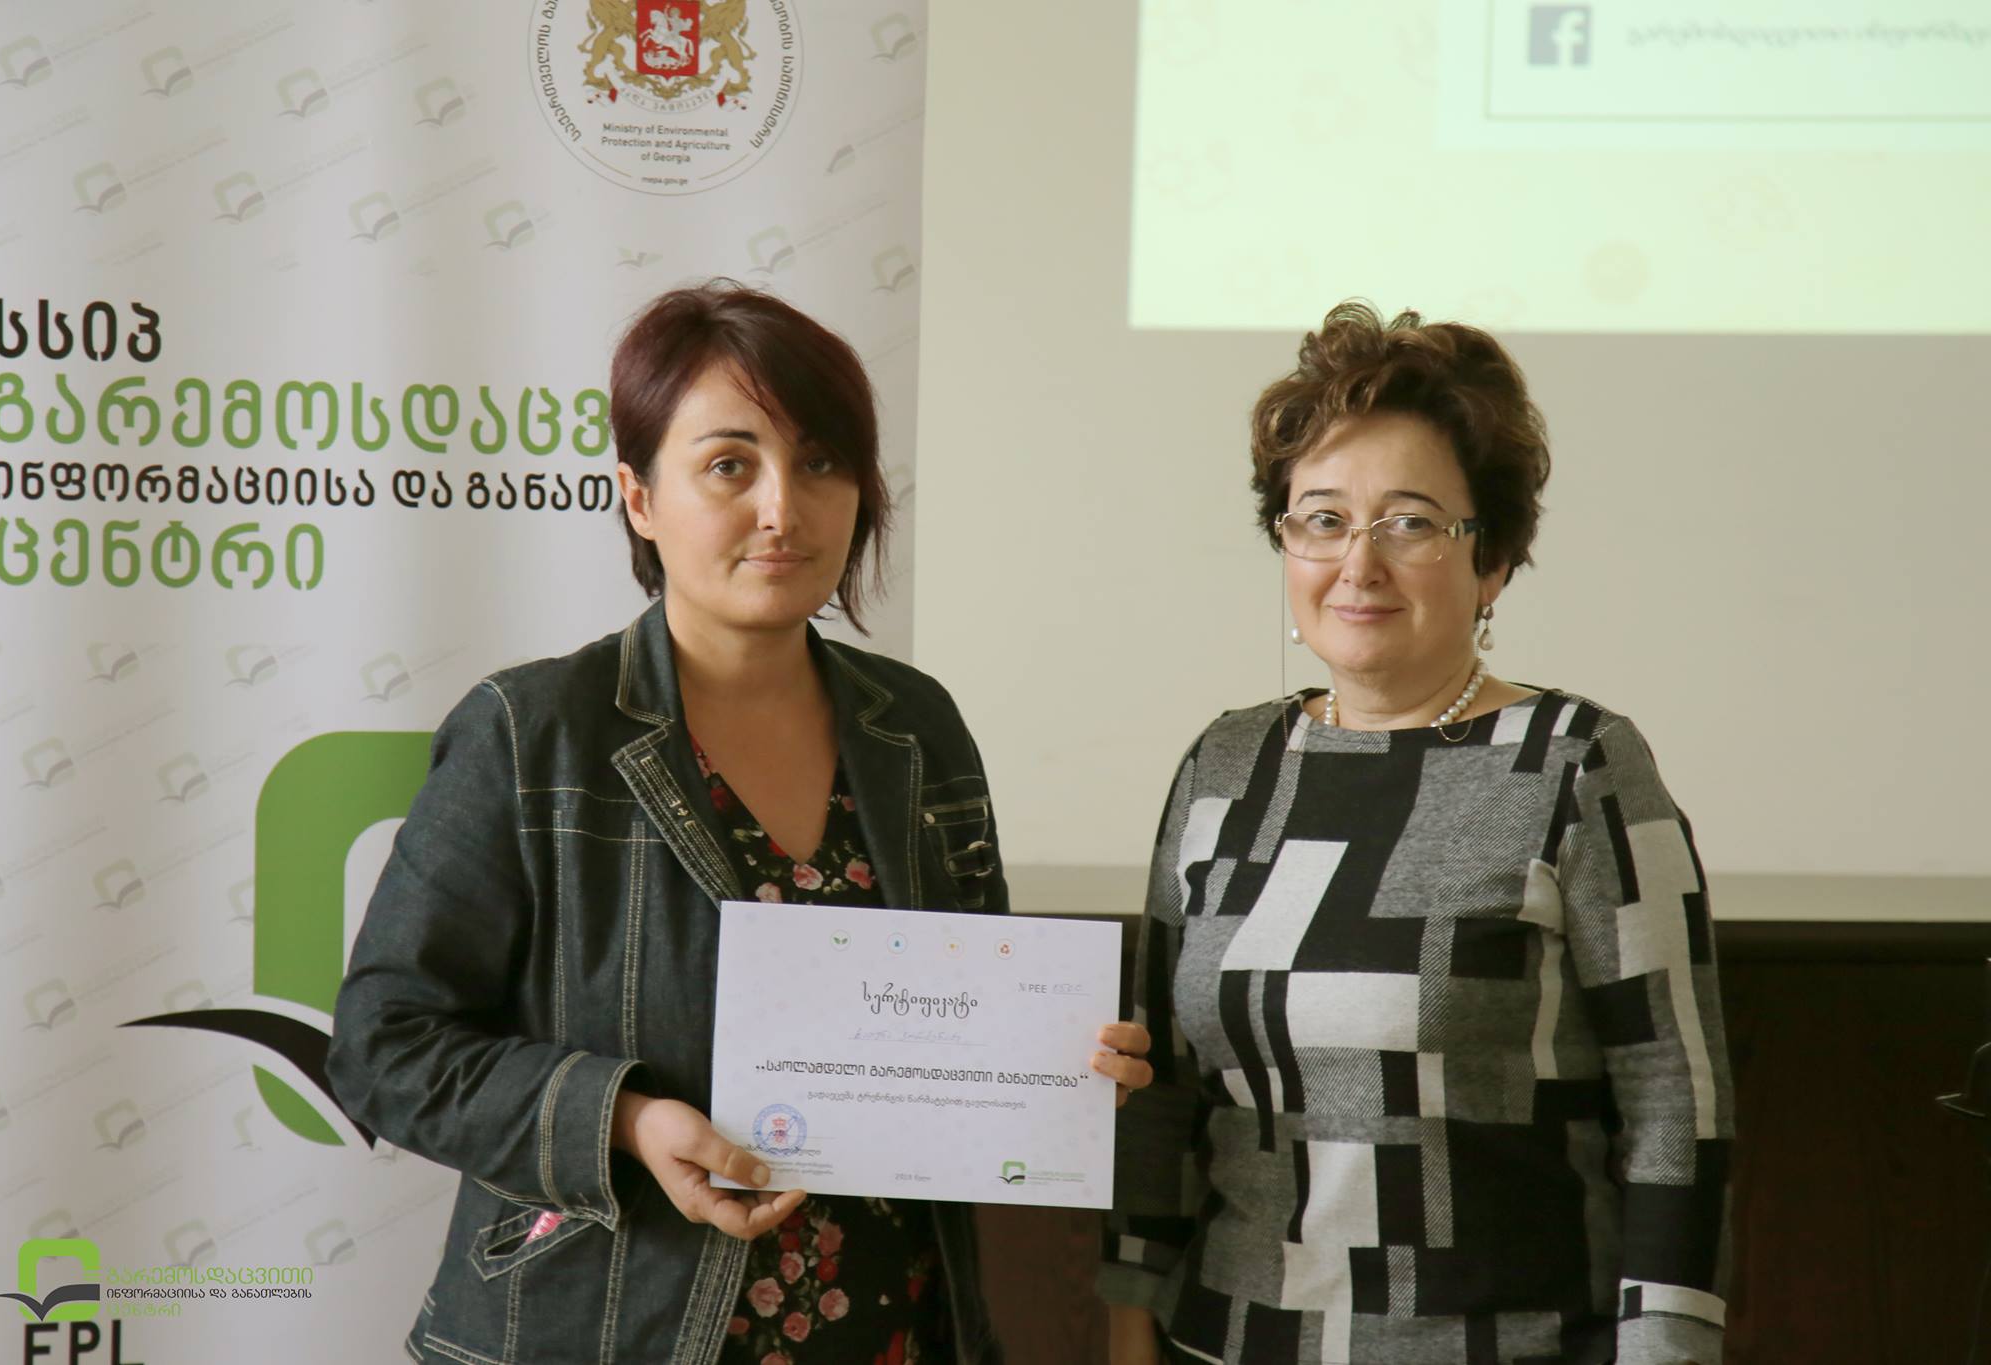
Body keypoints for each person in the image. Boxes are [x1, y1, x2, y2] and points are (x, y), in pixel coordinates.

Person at [328, 281, 1154, 1365]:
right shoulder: (532, 733)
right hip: (606, 1329)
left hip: (891, 1327)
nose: (782, 508)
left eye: (821, 462)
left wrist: (1063, 1063)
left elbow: (963, 1019)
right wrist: (624, 1119)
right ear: (638, 497)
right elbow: (383, 1047)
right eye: (729, 465)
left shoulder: (917, 728)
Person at [1100, 303, 1734, 1365]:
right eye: (1322, 519)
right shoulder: (1227, 767)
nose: (1358, 563)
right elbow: (1162, 1097)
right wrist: (1128, 1328)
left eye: (1409, 523)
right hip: (1229, 1340)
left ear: (1491, 561)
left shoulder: (1573, 765)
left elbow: (1677, 1104)